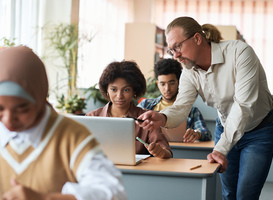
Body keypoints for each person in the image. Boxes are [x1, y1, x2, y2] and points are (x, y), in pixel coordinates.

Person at [137, 16, 273, 200]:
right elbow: (181, 108)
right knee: (229, 194)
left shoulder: (239, 53)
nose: (175, 55)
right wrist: (162, 117)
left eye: (178, 47)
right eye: (171, 50)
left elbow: (243, 107)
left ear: (197, 39)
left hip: (258, 130)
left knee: (245, 196)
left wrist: (220, 149)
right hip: (225, 127)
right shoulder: (189, 71)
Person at [0, 46, 127, 200]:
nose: (8, 119)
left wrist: (44, 198)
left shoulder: (71, 136)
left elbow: (113, 193)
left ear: (40, 97)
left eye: (22, 109)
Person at [86, 60, 172, 159]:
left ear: (134, 91)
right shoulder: (92, 117)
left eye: (126, 90)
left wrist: (160, 152)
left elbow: (167, 152)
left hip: (136, 173)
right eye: (114, 89)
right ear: (107, 90)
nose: (119, 96)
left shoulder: (147, 119)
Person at [138, 58, 212, 143]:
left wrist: (197, 134)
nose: (167, 89)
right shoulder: (145, 105)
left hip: (180, 152)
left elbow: (206, 133)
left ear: (179, 82)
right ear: (158, 84)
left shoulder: (191, 111)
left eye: (171, 83)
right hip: (150, 151)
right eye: (162, 84)